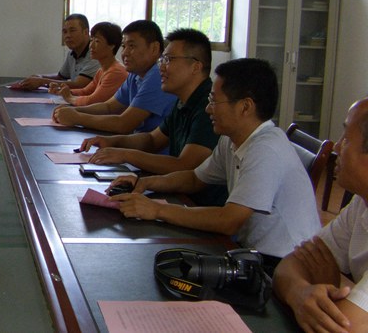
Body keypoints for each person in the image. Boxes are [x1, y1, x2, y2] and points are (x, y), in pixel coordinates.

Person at [108, 58, 320, 272]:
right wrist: (144, 183)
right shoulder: (232, 139)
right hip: (251, 252)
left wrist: (157, 210)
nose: (208, 109)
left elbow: (228, 221)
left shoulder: (265, 149)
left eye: (214, 101)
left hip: (283, 265)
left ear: (245, 106)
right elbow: (194, 178)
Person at [77, 29, 225, 206]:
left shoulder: (208, 106)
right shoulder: (183, 101)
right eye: (162, 60)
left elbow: (185, 165)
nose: (161, 67)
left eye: (169, 60)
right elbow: (152, 140)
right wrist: (111, 142)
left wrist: (125, 154)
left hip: (202, 206)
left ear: (196, 66)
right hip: (177, 194)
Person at [274, 98, 368, 333]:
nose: (337, 147)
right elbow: (290, 265)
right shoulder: (362, 203)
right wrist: (300, 293)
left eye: (347, 139)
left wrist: (327, 285)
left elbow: (344, 327)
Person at [53, 20, 176, 134]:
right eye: (124, 46)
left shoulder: (157, 74)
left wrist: (77, 117)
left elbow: (124, 124)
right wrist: (73, 111)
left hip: (152, 148)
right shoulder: (135, 74)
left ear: (154, 48)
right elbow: (109, 106)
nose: (124, 53)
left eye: (132, 46)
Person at [48, 21, 127, 106]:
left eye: (97, 41)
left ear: (111, 46)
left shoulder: (116, 72)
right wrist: (62, 91)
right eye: (91, 40)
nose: (91, 46)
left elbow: (93, 100)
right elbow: (86, 91)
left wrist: (69, 98)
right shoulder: (102, 70)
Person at [14, 14, 100, 90]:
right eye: (64, 32)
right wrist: (40, 76)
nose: (67, 36)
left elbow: (79, 85)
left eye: (72, 30)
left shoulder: (95, 53)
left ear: (85, 32)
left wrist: (41, 81)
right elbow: (61, 76)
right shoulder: (71, 53)